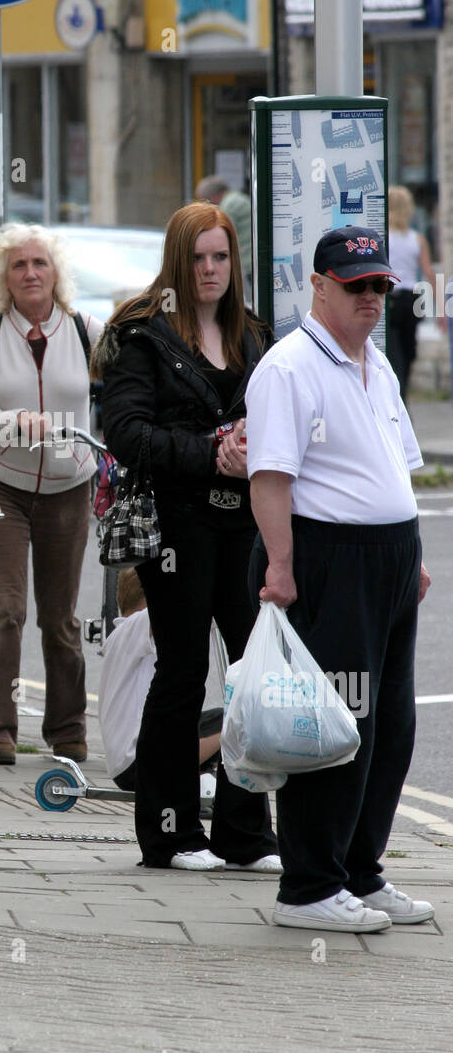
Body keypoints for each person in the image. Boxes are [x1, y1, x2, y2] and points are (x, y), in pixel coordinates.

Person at [246, 225, 433, 933]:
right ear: (319, 286)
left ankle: (360, 870)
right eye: (357, 286)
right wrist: (283, 565)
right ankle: (309, 886)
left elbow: (393, 464)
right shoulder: (290, 367)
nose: (372, 298)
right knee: (332, 723)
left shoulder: (375, 365)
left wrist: (409, 554)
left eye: (381, 286)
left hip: (387, 557)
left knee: (390, 725)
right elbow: (270, 477)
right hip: (329, 558)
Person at [94, 201, 279, 870]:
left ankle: (245, 834)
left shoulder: (253, 335)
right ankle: (170, 835)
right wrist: (210, 450)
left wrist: (251, 450)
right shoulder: (141, 334)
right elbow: (125, 433)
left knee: (252, 674)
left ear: (234, 261)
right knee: (183, 670)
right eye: (197, 258)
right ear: (178, 261)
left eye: (220, 257)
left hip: (245, 523)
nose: (209, 270)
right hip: (176, 523)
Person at [0, 223, 103, 765]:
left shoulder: (87, 330)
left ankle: (67, 732)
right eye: (18, 266)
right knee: (4, 612)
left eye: (39, 263)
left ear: (56, 272)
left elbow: (122, 391)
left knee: (60, 618)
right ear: (5, 278)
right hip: (0, 485)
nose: (31, 273)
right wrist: (15, 424)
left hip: (69, 485)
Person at [98, 570, 221, 809]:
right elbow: (169, 610)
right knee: (236, 724)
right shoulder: (132, 628)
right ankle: (187, 778)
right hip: (137, 759)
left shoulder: (128, 638)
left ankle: (198, 776)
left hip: (133, 757)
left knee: (214, 718)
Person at [386, 185, 436, 403]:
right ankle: (402, 398)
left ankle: (400, 399)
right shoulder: (416, 239)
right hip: (412, 300)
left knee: (394, 353)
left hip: (390, 298)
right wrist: (440, 310)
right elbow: (429, 273)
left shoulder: (383, 236)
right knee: (408, 353)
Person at [195, 174, 253, 301]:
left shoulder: (228, 205)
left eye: (206, 201)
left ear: (214, 196)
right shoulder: (237, 198)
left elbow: (220, 234)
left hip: (248, 263)